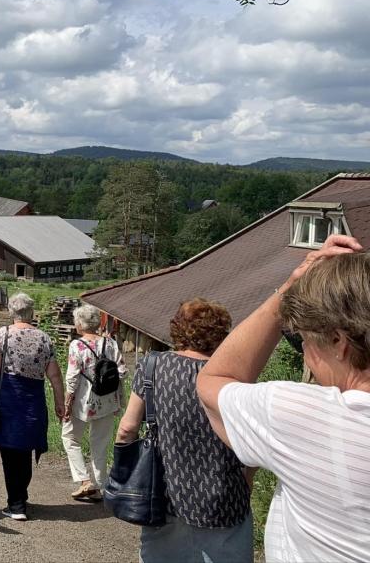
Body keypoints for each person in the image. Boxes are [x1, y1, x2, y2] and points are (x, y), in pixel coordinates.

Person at [197, 235, 370, 563]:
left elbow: (212, 380)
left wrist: (288, 289)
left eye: (304, 339)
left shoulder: (306, 416)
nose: (304, 351)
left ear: (338, 341)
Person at [116, 299, 252, 562]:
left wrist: (125, 473)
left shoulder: (152, 366)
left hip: (164, 493)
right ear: (221, 333)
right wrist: (247, 482)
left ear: (177, 329)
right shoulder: (234, 375)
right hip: (225, 496)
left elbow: (127, 428)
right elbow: (250, 443)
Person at [0, 292, 64, 521]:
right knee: (24, 449)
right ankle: (20, 497)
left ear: (11, 312)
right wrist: (59, 403)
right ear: (31, 313)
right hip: (33, 399)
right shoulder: (44, 338)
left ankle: (16, 504)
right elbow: (54, 376)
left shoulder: (4, 333)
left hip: (8, 398)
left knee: (9, 450)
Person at [62, 303, 126, 501]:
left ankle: (84, 480)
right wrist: (119, 398)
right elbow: (122, 371)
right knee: (100, 443)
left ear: (80, 324)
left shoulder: (77, 345)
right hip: (107, 399)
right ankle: (99, 485)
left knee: (70, 437)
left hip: (84, 399)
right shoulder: (111, 343)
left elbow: (72, 378)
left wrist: (67, 403)